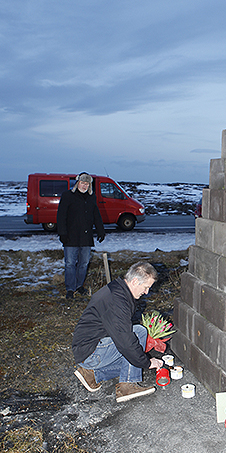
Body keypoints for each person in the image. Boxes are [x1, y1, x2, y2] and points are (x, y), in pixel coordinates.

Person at [72, 262, 164, 403]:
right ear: (134, 281)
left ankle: (93, 375)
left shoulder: (118, 290)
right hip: (91, 352)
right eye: (146, 287)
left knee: (134, 359)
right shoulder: (117, 301)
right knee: (139, 334)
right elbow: (126, 341)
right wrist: (147, 362)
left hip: (87, 349)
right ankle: (127, 386)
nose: (146, 292)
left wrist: (142, 360)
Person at [57, 172, 105, 299]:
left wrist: (100, 230)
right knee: (70, 263)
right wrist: (62, 233)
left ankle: (79, 286)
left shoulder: (91, 197)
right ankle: (70, 289)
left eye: (87, 183)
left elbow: (96, 214)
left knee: (84, 263)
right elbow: (61, 216)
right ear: (77, 183)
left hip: (86, 237)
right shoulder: (67, 195)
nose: (84, 186)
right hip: (70, 236)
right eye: (82, 183)